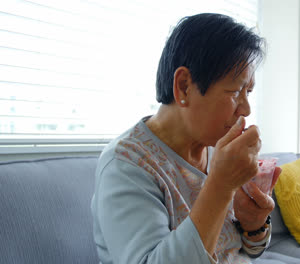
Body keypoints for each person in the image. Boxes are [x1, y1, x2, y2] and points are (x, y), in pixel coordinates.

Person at [91, 13, 282, 264]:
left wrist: (255, 225)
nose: (246, 109)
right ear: (183, 87)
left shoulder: (215, 148)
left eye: (249, 92)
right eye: (236, 91)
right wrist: (221, 186)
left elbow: (247, 251)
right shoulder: (127, 164)